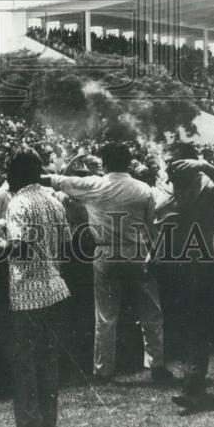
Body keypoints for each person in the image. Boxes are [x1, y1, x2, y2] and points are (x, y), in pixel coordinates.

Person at [45, 144, 172, 384]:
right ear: (128, 162)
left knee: (105, 315)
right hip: (136, 251)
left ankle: (103, 370)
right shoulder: (142, 188)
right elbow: (150, 227)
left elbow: (56, 180)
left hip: (105, 252)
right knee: (150, 312)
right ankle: (156, 365)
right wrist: (153, 254)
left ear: (105, 163)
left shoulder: (95, 184)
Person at [0, 150, 70, 427]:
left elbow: (20, 248)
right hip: (55, 288)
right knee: (48, 359)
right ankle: (48, 424)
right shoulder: (54, 201)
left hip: (27, 293)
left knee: (24, 362)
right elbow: (67, 242)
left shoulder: (19, 203)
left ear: (16, 176)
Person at [154, 142, 214, 413]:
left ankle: (192, 386)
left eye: (176, 161)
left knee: (197, 324)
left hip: (200, 263)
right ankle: (193, 382)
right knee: (182, 323)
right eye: (167, 161)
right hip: (173, 261)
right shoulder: (169, 186)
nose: (170, 166)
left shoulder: (206, 184)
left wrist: (203, 164)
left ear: (189, 162)